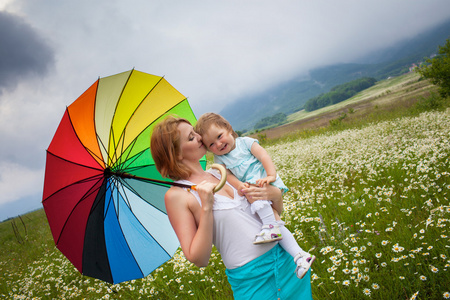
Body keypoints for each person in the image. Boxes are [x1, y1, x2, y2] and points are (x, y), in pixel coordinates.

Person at [150, 116, 313, 299]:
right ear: (176, 154)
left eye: (196, 133)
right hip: (252, 280)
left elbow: (272, 213)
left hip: (287, 262)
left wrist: (275, 195)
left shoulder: (219, 171)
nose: (199, 137)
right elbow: (198, 258)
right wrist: (206, 208)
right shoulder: (177, 195)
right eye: (191, 137)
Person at [195, 112, 315, 279]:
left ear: (229, 129)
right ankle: (300, 255)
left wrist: (271, 175)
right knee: (275, 219)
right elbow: (228, 176)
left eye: (220, 136)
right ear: (208, 149)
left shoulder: (245, 143)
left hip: (264, 181)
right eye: (212, 144)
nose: (219, 144)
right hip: (252, 188)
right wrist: (239, 185)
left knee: (270, 218)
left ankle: (271, 229)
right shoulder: (219, 159)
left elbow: (264, 156)